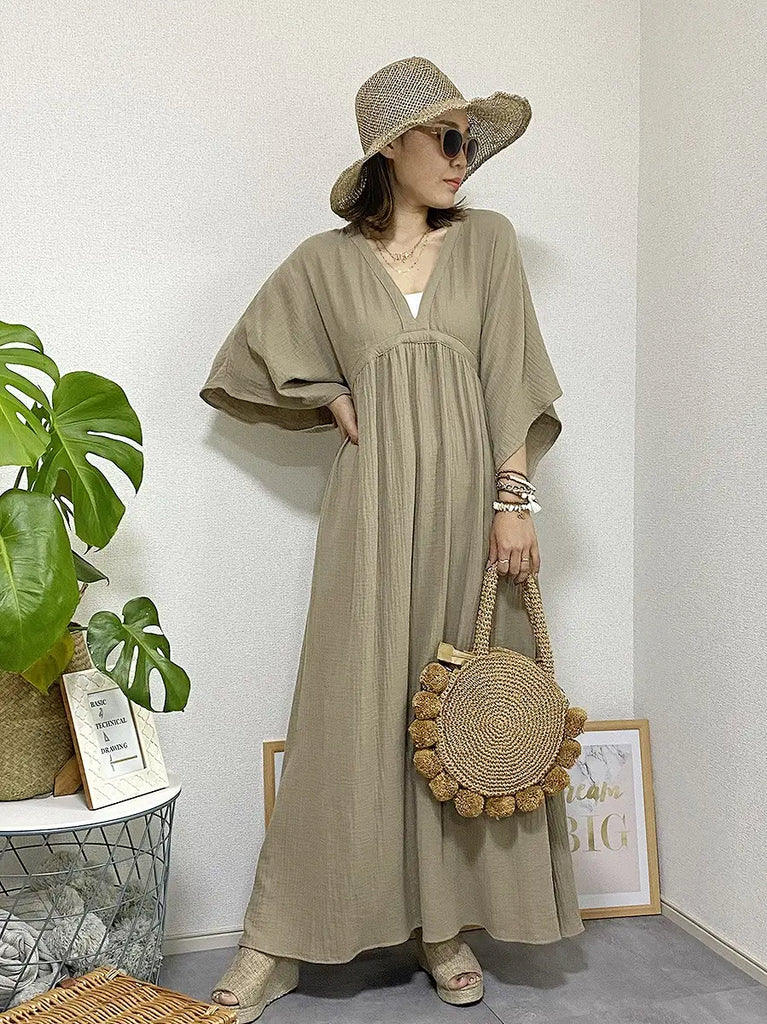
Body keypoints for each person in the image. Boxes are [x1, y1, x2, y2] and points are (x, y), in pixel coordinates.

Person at [199, 55, 583, 1023]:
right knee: (350, 713)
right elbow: (244, 361)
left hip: (469, 511)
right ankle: (280, 936)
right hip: (372, 512)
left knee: (457, 717)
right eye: (446, 139)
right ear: (391, 148)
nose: (461, 158)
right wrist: (331, 393)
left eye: (468, 142)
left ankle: (443, 927)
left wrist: (513, 500)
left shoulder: (487, 244)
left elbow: (512, 375)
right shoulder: (325, 264)